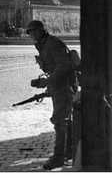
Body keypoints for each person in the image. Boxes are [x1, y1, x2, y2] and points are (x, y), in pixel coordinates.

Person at [27, 20, 76, 170]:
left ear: (41, 30)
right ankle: (68, 152)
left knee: (60, 121)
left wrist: (47, 81)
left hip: (65, 86)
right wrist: (46, 83)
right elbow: (53, 68)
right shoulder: (43, 44)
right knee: (64, 121)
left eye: (34, 31)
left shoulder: (53, 43)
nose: (32, 35)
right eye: (30, 33)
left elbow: (64, 66)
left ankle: (59, 158)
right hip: (58, 87)